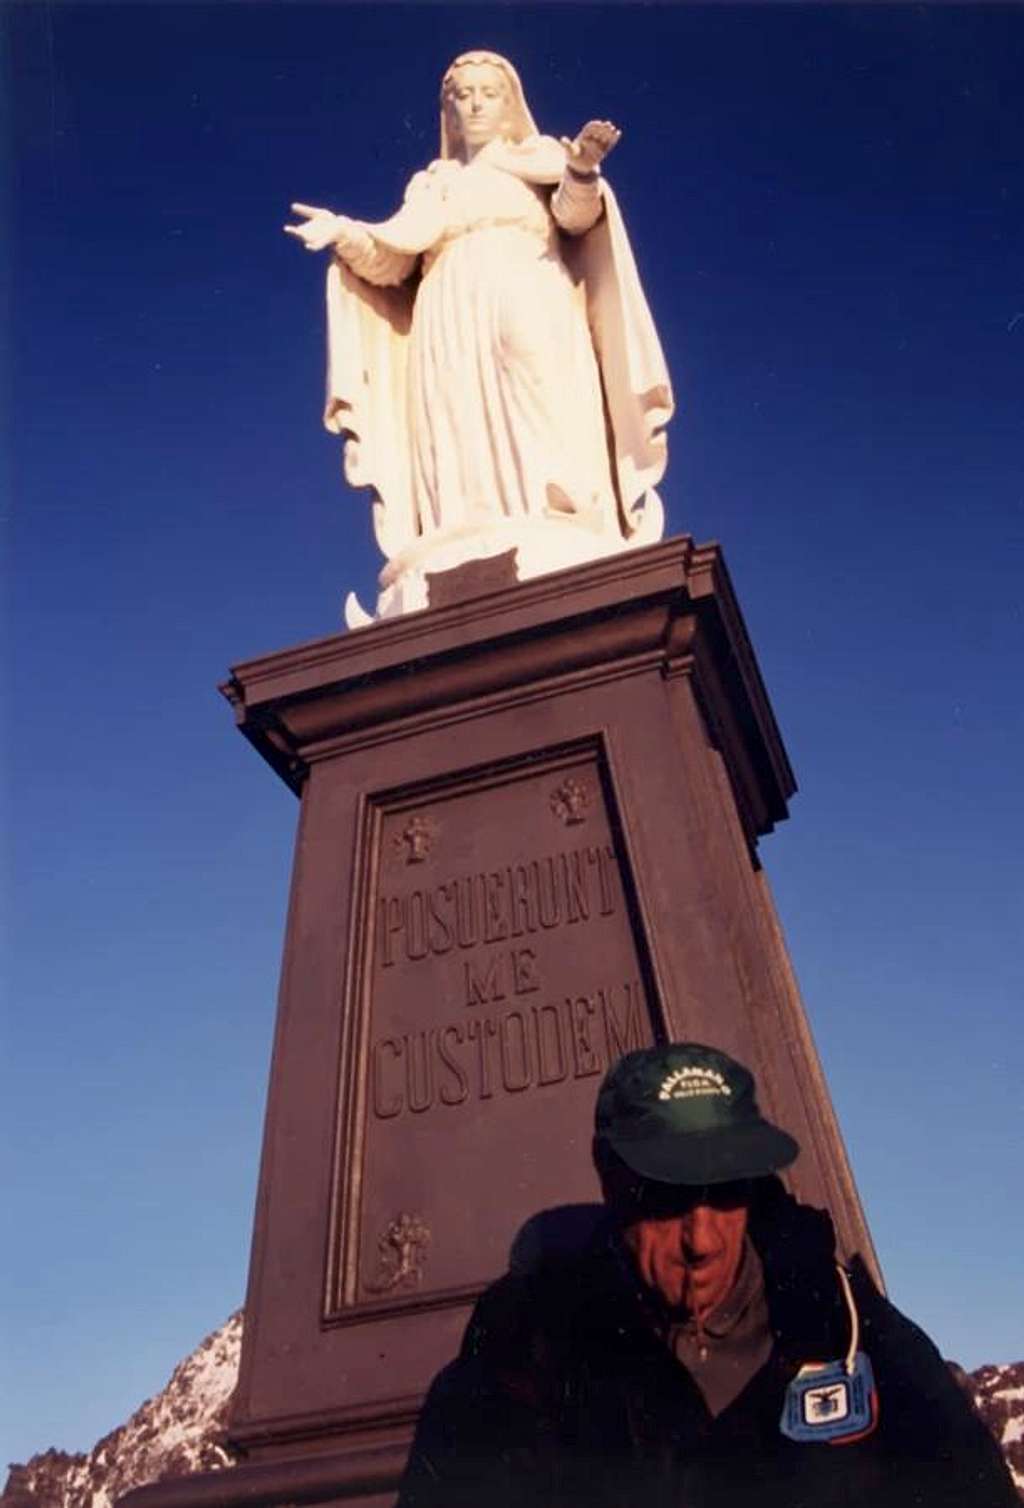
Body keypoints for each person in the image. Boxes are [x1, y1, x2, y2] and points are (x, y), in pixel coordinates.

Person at [397, 1042, 1018, 1507]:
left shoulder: (850, 1329)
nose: (700, 1240)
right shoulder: (518, 1358)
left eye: (724, 1192)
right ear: (609, 1178)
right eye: (666, 1197)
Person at [284, 52, 673, 622]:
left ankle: (560, 513)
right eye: (462, 95)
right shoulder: (434, 185)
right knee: (454, 414)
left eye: (487, 93)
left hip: (525, 280)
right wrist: (344, 234)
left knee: (538, 392)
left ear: (510, 103)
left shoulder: (540, 160)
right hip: (446, 304)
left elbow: (574, 217)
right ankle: (460, 526)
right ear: (448, 110)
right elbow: (392, 262)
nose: (474, 104)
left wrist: (584, 169)